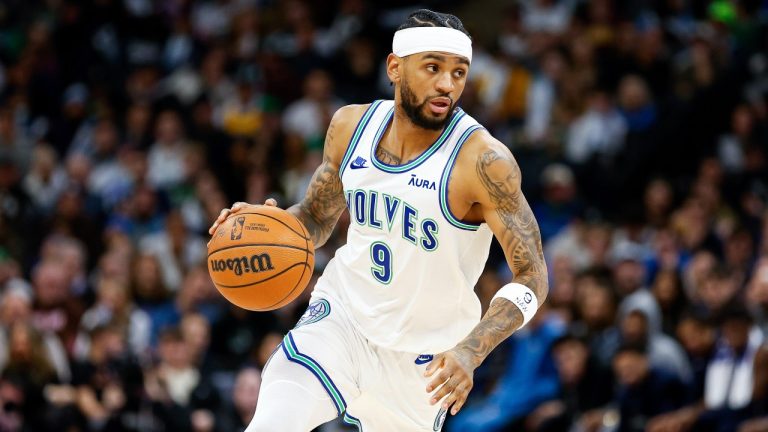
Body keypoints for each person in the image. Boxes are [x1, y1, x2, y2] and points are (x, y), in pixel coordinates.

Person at [208, 9, 549, 431]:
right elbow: (315, 218)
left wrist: (471, 351)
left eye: (459, 72)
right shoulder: (351, 127)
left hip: (425, 361)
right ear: (395, 67)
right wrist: (267, 224)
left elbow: (532, 277)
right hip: (343, 319)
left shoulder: (483, 161)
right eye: (432, 67)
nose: (447, 84)